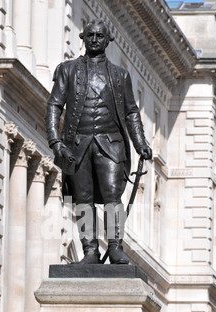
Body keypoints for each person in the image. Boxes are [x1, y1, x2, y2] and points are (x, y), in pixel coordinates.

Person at [45, 20, 152, 264]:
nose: (94, 39)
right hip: (77, 144)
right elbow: (54, 105)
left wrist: (140, 143)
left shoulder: (120, 75)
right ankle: (90, 251)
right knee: (83, 200)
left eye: (100, 36)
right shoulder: (67, 69)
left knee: (112, 196)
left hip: (111, 144)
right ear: (83, 37)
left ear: (108, 40)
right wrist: (54, 140)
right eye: (90, 35)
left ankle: (115, 247)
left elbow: (131, 112)